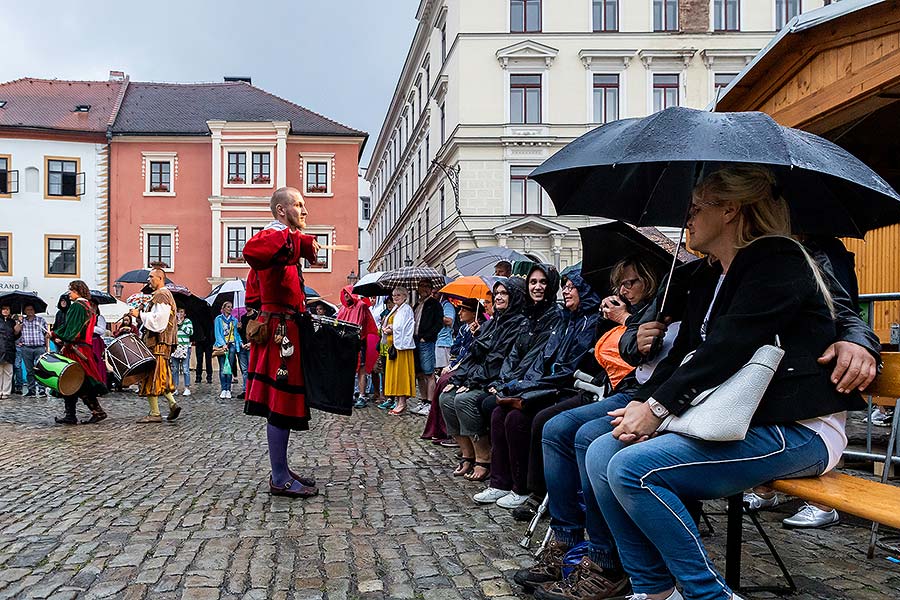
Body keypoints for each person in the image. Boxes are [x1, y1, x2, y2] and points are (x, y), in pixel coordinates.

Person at [574, 165, 878, 600]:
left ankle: (708, 594)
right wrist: (641, 400)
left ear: (731, 209)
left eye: (696, 208)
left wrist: (656, 409)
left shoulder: (778, 259)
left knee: (632, 469)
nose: (688, 220)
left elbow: (728, 347)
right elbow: (684, 354)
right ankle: (654, 590)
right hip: (743, 419)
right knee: (603, 449)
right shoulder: (712, 274)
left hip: (799, 429)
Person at [515, 257, 666, 597]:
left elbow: (643, 355)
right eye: (620, 284)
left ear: (650, 282)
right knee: (553, 429)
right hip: (615, 390)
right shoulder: (616, 312)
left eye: (631, 283)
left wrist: (625, 318)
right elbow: (604, 354)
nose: (623, 290)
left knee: (583, 435)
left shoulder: (661, 305)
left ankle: (604, 559)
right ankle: (565, 542)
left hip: (644, 394)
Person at [476, 267, 602, 509]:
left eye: (570, 286)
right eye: (564, 286)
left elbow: (566, 367)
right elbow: (537, 358)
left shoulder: (582, 321)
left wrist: (523, 385)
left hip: (566, 388)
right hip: (544, 383)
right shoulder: (565, 319)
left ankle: (525, 488)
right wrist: (513, 385)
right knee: (498, 411)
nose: (565, 290)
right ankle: (500, 481)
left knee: (518, 418)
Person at [242, 186, 321, 499]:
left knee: (282, 403)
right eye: (298, 205)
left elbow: (253, 293)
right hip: (280, 335)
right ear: (280, 210)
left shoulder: (280, 250)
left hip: (285, 328)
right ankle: (278, 476)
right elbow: (252, 250)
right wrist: (298, 241)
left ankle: (282, 469)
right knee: (279, 404)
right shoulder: (271, 237)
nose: (304, 211)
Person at [439, 279, 528, 482]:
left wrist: (472, 382)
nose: (498, 297)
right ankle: (467, 453)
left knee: (464, 400)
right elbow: (474, 354)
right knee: (446, 396)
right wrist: (461, 377)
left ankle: (483, 457)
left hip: (496, 379)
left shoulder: (518, 323)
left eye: (504, 293)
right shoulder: (492, 323)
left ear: (514, 296)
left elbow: (499, 359)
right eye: (496, 293)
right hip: (481, 376)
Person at [422, 297, 485, 442]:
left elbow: (472, 352)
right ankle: (443, 430)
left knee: (445, 382)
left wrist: (476, 334)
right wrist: (452, 364)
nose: (460, 313)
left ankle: (453, 433)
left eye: (464, 310)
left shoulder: (481, 327)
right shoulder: (463, 329)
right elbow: (457, 349)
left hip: (471, 367)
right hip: (460, 363)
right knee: (443, 381)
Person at [52, 282, 108, 424]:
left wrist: (55, 333)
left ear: (78, 291)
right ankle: (73, 414)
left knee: (73, 381)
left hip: (76, 349)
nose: (69, 293)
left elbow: (72, 329)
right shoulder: (89, 306)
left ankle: (95, 412)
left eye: (71, 290)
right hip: (83, 348)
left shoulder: (77, 306)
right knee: (76, 381)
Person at [132, 268, 182, 423]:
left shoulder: (162, 295)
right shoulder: (162, 295)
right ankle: (173, 404)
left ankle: (155, 413)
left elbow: (159, 321)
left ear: (160, 278)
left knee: (151, 376)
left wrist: (139, 314)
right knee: (161, 375)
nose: (149, 279)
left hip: (158, 343)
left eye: (151, 277)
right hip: (160, 344)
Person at [337, 286, 379, 409]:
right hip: (347, 343)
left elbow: (362, 324)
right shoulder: (343, 309)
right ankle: (349, 395)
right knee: (349, 370)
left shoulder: (361, 306)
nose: (345, 296)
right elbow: (339, 324)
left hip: (359, 342)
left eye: (347, 293)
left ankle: (362, 395)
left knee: (361, 369)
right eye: (344, 293)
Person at [419, 291, 457, 417]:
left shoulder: (446, 305)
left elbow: (449, 320)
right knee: (428, 372)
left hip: (443, 342)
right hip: (435, 341)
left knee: (439, 373)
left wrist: (434, 315)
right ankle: (428, 400)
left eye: (435, 291)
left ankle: (437, 401)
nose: (433, 293)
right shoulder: (430, 303)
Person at [383, 287, 416, 415]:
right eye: (394, 295)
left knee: (401, 374)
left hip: (402, 347)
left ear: (404, 296)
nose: (395, 297)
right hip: (394, 346)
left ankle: (402, 402)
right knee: (395, 375)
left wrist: (391, 329)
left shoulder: (406, 309)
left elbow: (403, 326)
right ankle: (398, 400)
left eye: (398, 295)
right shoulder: (397, 309)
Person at [412, 280, 443, 415]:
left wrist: (428, 337)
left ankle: (431, 403)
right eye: (422, 286)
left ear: (431, 289)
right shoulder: (417, 304)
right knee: (419, 373)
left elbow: (439, 323)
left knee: (429, 372)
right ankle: (423, 400)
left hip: (426, 342)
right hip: (415, 341)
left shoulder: (435, 304)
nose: (424, 289)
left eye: (427, 286)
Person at [17, 304, 49, 397]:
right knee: (29, 370)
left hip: (39, 347)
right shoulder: (22, 321)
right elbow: (16, 331)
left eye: (31, 309)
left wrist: (47, 348)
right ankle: (31, 390)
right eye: (27, 310)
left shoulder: (40, 320)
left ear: (34, 311)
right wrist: (19, 323)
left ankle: (42, 389)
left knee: (40, 369)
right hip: (26, 348)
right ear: (25, 311)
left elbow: (46, 334)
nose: (30, 311)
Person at [213, 301, 242, 399]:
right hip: (222, 345)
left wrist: (240, 342)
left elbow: (236, 334)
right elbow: (217, 333)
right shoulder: (218, 319)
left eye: (231, 307)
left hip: (232, 345)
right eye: (228, 307)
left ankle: (228, 389)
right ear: (224, 308)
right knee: (222, 368)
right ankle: (223, 389)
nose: (230, 308)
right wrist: (223, 344)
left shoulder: (234, 320)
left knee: (228, 368)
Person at [171, 307, 193, 397]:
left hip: (185, 347)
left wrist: (181, 324)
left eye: (181, 312)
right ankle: (175, 388)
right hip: (175, 347)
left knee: (185, 369)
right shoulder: (173, 322)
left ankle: (187, 388)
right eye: (178, 312)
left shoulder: (188, 321)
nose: (179, 313)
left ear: (184, 314)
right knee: (175, 369)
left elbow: (190, 332)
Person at [0, 304, 21, 399]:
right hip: (0, 349)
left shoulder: (12, 322)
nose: (5, 311)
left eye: (7, 309)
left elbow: (15, 336)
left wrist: (17, 330)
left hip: (9, 349)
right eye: (3, 309)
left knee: (8, 372)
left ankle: (6, 392)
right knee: (0, 371)